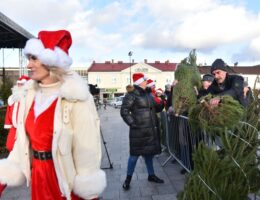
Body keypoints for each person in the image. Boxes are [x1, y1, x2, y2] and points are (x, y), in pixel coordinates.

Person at [0, 30, 106, 199]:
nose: (28, 65)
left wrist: (89, 191)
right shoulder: (29, 96)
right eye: (28, 59)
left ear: (51, 62)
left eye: (34, 58)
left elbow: (87, 149)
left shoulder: (75, 98)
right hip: (39, 177)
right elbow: (22, 143)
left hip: (63, 179)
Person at [120, 73, 165, 191]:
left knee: (149, 154)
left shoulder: (149, 94)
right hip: (138, 132)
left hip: (150, 130)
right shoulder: (131, 95)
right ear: (140, 82)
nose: (146, 82)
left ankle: (151, 175)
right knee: (134, 156)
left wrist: (162, 100)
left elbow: (158, 108)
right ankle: (128, 179)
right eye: (144, 80)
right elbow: (124, 111)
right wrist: (133, 123)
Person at [4, 75, 30, 152]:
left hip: (25, 127)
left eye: (21, 84)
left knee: (24, 147)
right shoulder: (12, 98)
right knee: (10, 145)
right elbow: (8, 112)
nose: (19, 86)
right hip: (13, 127)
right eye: (18, 84)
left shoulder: (28, 97)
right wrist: (8, 124)